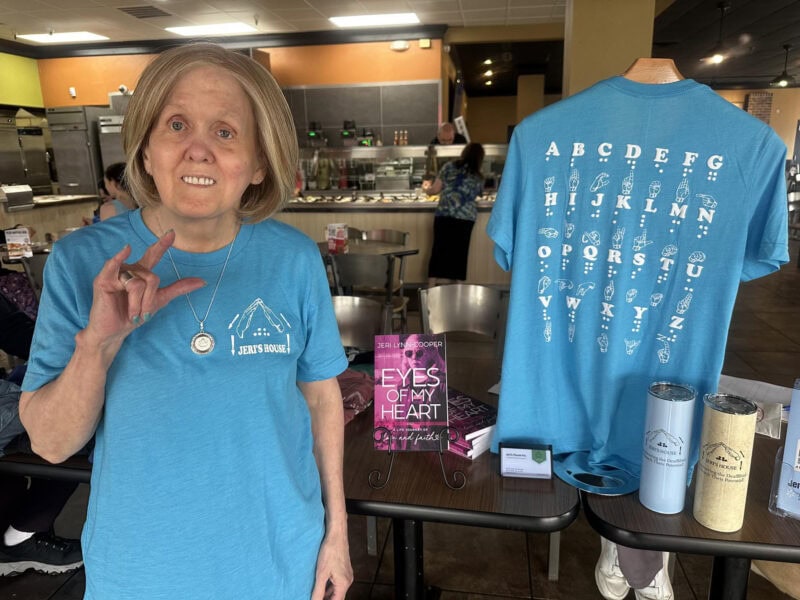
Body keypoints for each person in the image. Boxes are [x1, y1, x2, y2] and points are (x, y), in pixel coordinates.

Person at [19, 42, 352, 599]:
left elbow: (321, 398)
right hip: (142, 566)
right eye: (177, 125)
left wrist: (336, 534)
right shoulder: (84, 262)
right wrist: (98, 345)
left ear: (259, 162)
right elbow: (51, 445)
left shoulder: (294, 259)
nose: (198, 150)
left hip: (278, 555)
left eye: (225, 132)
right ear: (146, 151)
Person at [422, 142, 485, 286]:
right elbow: (478, 193)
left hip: (444, 214)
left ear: (464, 153)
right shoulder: (479, 176)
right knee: (460, 253)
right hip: (465, 218)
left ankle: (430, 287)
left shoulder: (449, 166)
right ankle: (458, 289)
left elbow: (435, 189)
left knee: (438, 250)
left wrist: (426, 189)